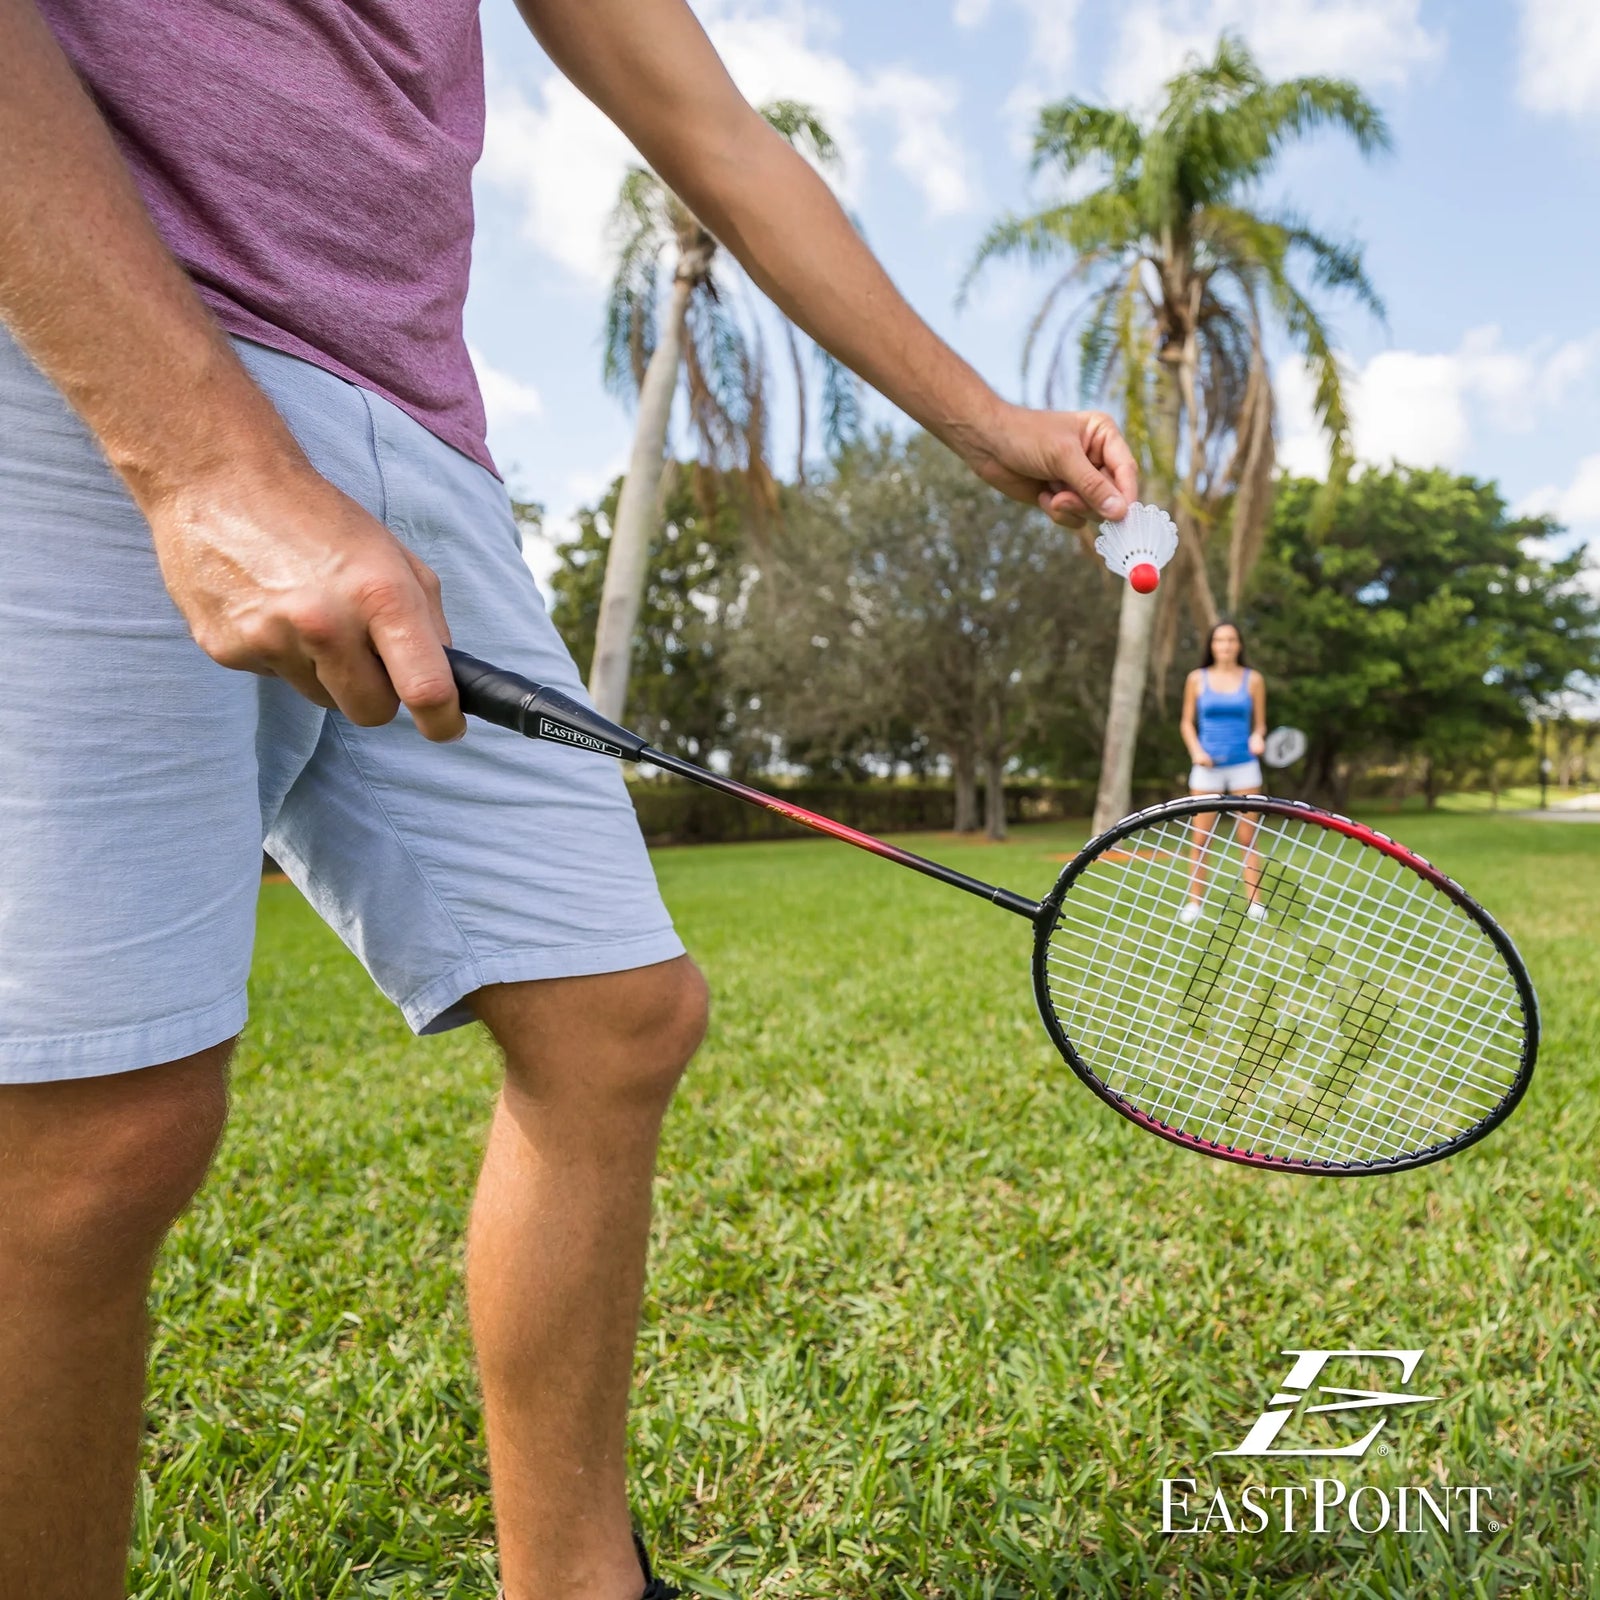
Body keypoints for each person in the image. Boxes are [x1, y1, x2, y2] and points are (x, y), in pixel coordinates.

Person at [0, 3, 1140, 1597]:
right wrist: (199, 462)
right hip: (91, 355)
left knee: (615, 1021)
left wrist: (983, 418)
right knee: (89, 1138)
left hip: (418, 434)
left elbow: (718, 134)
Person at [1177, 621, 1268, 925]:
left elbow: (1260, 725)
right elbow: (1186, 723)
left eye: (1231, 640)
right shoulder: (1196, 679)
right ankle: (1195, 904)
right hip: (1207, 770)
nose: (1225, 645)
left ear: (1239, 645)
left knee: (1248, 838)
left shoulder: (1253, 679)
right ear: (1211, 645)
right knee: (1201, 839)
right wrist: (1197, 752)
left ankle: (1255, 903)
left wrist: (1258, 737)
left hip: (1244, 767)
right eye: (1219, 640)